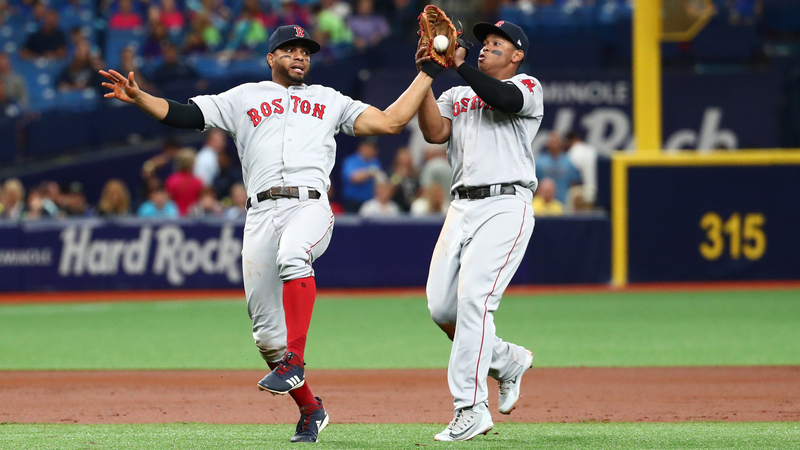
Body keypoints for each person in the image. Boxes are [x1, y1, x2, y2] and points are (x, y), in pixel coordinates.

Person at [99, 24, 437, 443]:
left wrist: (426, 74)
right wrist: (139, 98)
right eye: (290, 50)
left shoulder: (329, 100)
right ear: (271, 58)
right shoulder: (244, 97)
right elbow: (186, 114)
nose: (300, 57)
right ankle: (311, 408)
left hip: (309, 204)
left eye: (305, 52)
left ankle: (296, 359)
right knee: (265, 336)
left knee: (295, 255)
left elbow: (389, 122)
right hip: (259, 213)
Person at [415, 20, 541, 441]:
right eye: (484, 43)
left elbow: (501, 96)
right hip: (461, 206)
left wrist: (460, 63)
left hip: (507, 203)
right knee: (442, 309)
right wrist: (428, 75)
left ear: (517, 54)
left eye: (496, 44)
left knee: (474, 301)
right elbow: (435, 132)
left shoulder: (527, 86)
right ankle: (506, 360)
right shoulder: (457, 93)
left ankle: (471, 408)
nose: (486, 48)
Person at [536, 130, 581, 204]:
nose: (554, 145)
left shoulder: (568, 162)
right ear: (548, 144)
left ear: (561, 144)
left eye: (556, 142)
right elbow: (535, 184)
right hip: (543, 205)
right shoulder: (540, 162)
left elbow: (574, 183)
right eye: (552, 142)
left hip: (563, 202)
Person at [340, 137, 383, 212]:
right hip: (352, 202)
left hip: (369, 202)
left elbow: (380, 182)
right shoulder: (351, 160)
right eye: (367, 147)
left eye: (373, 148)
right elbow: (354, 178)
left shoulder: (375, 162)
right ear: (361, 147)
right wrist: (369, 172)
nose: (370, 150)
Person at [165, 148, 204, 216]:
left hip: (176, 216)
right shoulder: (198, 182)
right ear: (192, 164)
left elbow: (168, 199)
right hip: (191, 216)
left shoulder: (171, 180)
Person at [565, 130, 598, 208]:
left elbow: (572, 175)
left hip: (580, 194)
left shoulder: (573, 152)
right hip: (595, 190)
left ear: (570, 141)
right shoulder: (591, 150)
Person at [389, 147, 419, 212]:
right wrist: (398, 176)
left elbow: (421, 190)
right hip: (396, 206)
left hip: (413, 207)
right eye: (402, 159)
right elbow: (389, 192)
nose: (404, 162)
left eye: (406, 159)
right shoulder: (392, 173)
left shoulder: (416, 174)